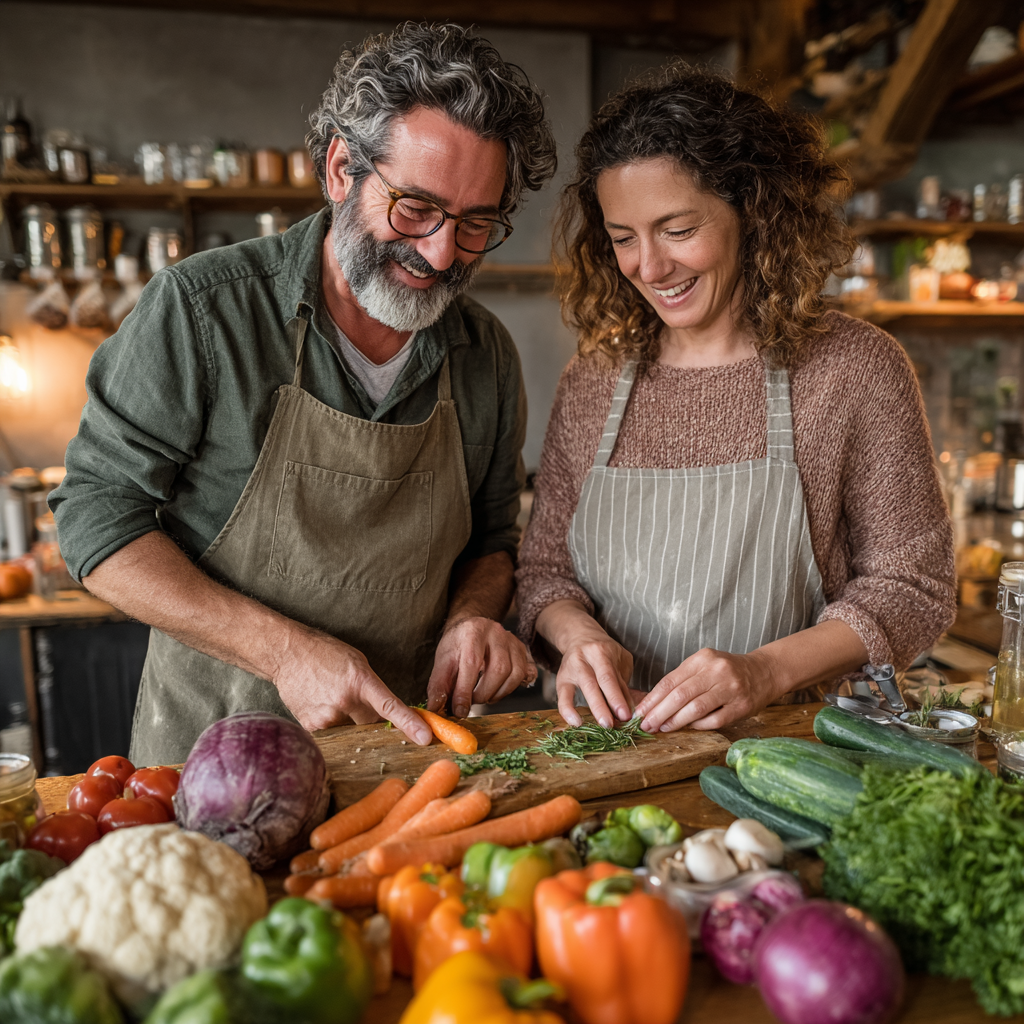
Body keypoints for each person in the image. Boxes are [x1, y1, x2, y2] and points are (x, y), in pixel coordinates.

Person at [51, 23, 557, 764]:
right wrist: (285, 651)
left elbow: (492, 542)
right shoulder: (203, 311)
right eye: (416, 208)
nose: (441, 251)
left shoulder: (484, 356)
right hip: (209, 763)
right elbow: (94, 522)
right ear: (341, 169)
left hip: (406, 768)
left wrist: (474, 617)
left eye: (477, 223)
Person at [516, 65, 956, 736]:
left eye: (678, 229)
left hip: (790, 752)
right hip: (610, 753)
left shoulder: (852, 368)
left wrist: (766, 672)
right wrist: (577, 636)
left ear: (753, 210)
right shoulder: (596, 376)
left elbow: (914, 588)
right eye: (623, 238)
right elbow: (545, 572)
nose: (649, 268)